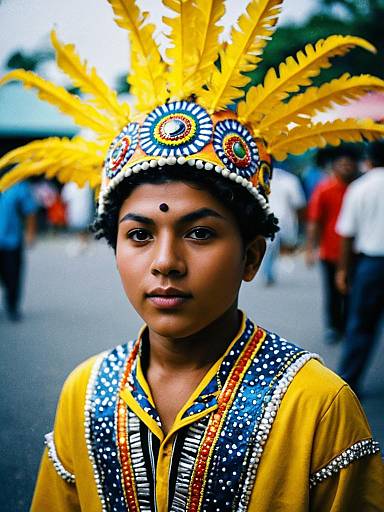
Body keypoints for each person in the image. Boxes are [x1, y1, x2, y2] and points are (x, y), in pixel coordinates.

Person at [0, 1, 383, 510]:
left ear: (251, 257)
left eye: (199, 234)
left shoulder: (317, 406)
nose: (165, 261)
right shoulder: (85, 393)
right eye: (138, 235)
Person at [336, 141, 384, 395]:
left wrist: (343, 270)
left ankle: (350, 380)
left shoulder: (360, 187)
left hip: (371, 265)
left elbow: (347, 233)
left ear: (369, 159)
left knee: (361, 325)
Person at [306, 146, 360, 344]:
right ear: (335, 166)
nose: (346, 167)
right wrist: (311, 249)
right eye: (342, 164)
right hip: (330, 252)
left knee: (352, 291)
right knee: (333, 292)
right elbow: (314, 220)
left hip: (356, 253)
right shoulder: (324, 189)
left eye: (349, 164)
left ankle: (348, 325)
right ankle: (334, 326)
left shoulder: (358, 189)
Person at [261, 166, 306, 285]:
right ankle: (267, 272)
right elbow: (299, 203)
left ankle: (267, 272)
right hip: (283, 220)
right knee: (272, 248)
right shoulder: (290, 180)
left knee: (270, 247)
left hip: (267, 218)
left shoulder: (260, 177)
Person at [0, 179, 37, 321]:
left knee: (12, 276)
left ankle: (12, 306)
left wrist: (30, 232)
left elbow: (30, 209)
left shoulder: (17, 185)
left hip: (11, 240)